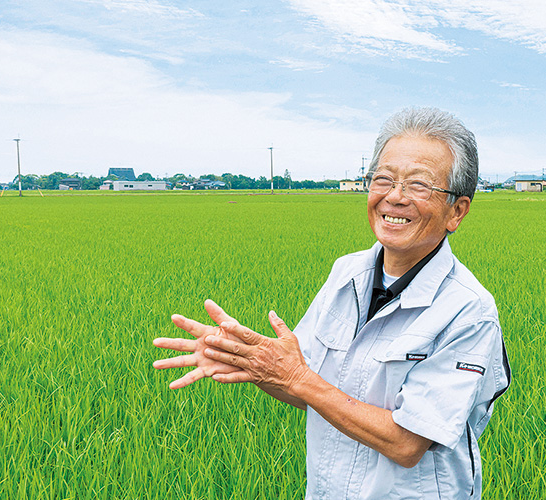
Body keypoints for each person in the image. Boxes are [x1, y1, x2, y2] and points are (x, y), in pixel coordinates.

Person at [153, 107, 511, 499]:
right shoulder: (348, 273)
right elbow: (305, 388)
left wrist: (296, 377)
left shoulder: (468, 311)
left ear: (457, 211)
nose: (394, 197)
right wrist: (249, 361)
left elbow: (408, 443)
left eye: (419, 186)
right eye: (384, 179)